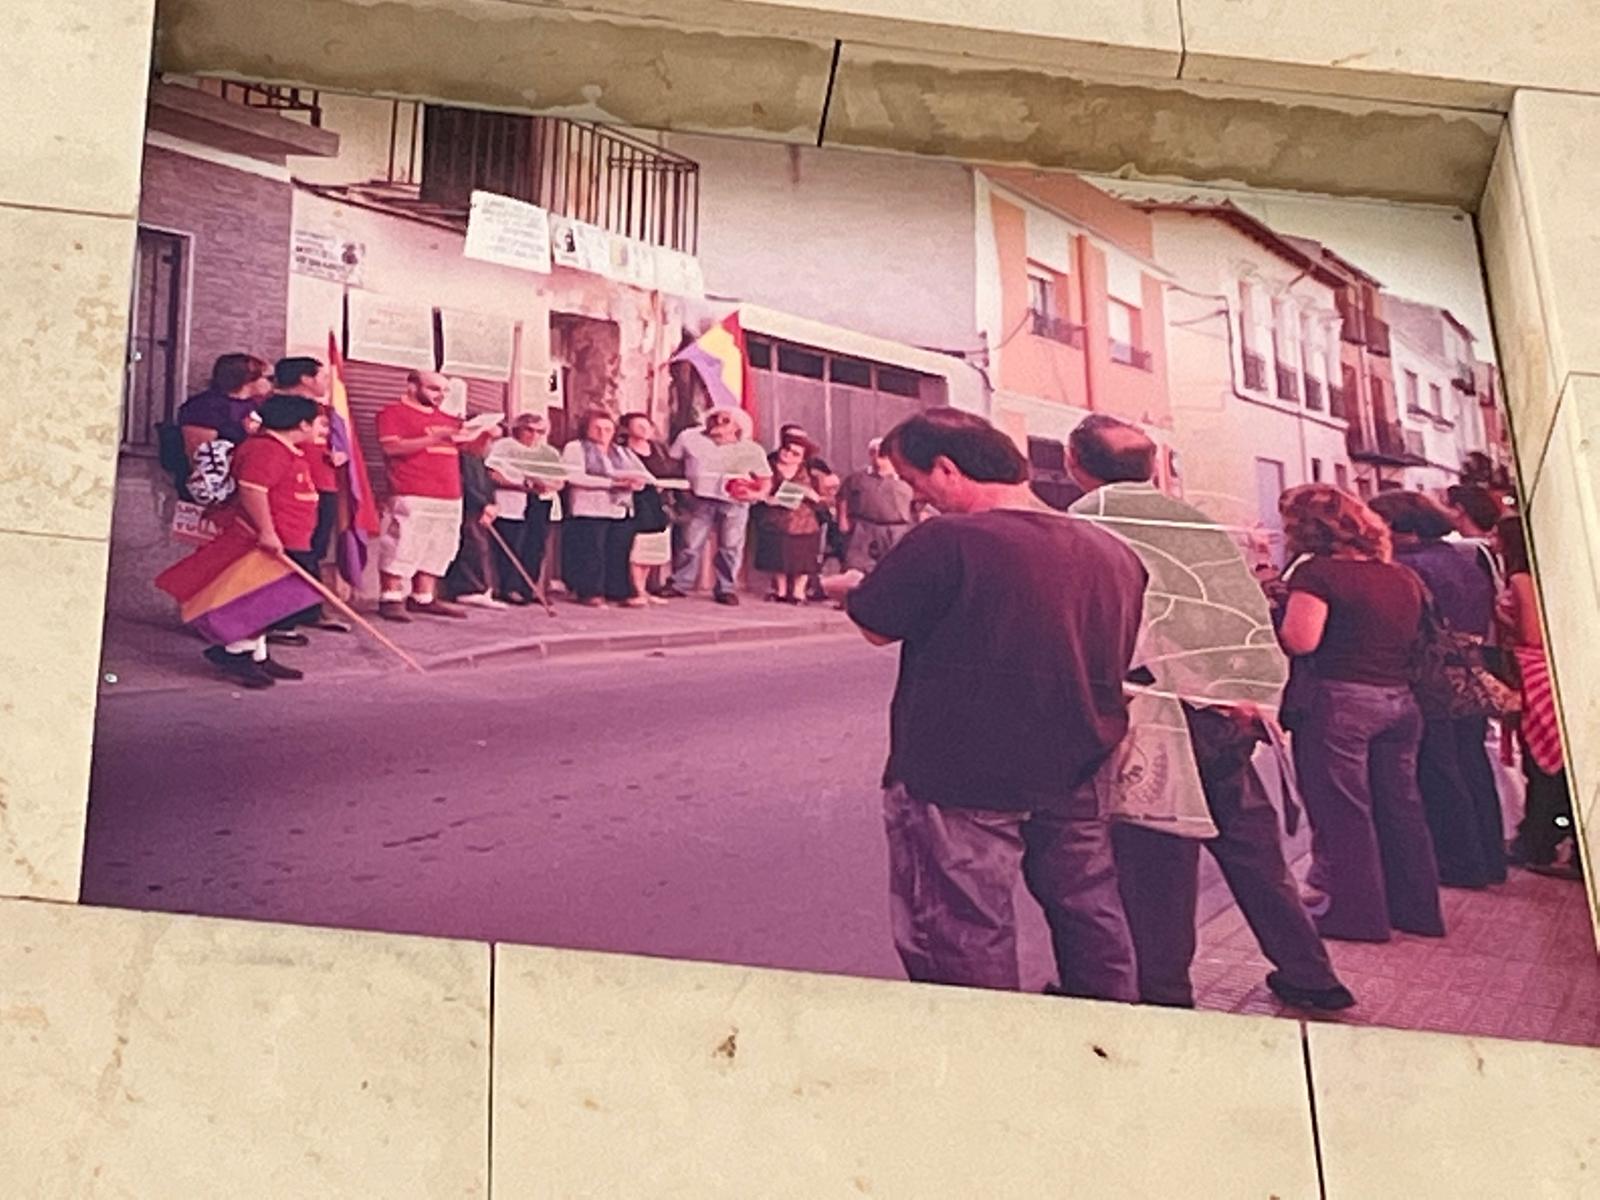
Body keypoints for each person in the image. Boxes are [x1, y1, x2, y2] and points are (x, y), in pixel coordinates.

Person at [824, 407, 1145, 1001]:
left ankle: (982, 1060)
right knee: (1090, 913)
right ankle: (1111, 1032)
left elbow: (877, 624)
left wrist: (850, 590)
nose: (918, 499)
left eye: (917, 483)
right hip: (1078, 764)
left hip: (959, 773)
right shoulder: (1112, 551)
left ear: (946, 469)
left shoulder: (949, 539)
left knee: (962, 932)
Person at [1068, 415, 1353, 1012]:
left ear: (1075, 464)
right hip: (1230, 713)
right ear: (1153, 468)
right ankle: (1311, 974)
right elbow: (1247, 613)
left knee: (1158, 862)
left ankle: (1165, 994)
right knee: (1255, 852)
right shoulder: (1197, 523)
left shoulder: (1085, 524)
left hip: (1156, 711)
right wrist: (1256, 699)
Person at [1277, 485, 1444, 942]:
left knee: (1344, 812)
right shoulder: (1400, 576)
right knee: (1401, 808)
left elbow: (1301, 640)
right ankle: (1417, 910)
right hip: (1400, 702)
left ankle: (1357, 916)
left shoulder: (1318, 573)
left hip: (1341, 703)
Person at [1369, 490, 1506, 889]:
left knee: (1438, 770)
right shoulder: (1462, 559)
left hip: (1432, 678)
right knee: (1472, 765)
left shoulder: (1408, 567)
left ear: (1400, 527)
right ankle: (1489, 858)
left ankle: (1460, 863)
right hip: (1470, 671)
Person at [199, 394, 324, 688]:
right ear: (302, 423)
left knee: (272, 600)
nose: (322, 428)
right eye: (319, 422)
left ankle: (257, 653)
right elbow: (253, 490)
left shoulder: (284, 449)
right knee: (259, 598)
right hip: (273, 537)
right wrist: (267, 532)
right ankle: (235, 653)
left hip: (293, 535)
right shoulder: (266, 450)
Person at [1498, 514, 1583, 880]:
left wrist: (1504, 621)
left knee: (1543, 762)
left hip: (1538, 674)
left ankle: (1540, 841)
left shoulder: (1521, 579)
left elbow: (1531, 636)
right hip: (1568, 668)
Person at [375, 370, 469, 622]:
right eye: (434, 389)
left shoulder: (448, 418)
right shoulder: (392, 413)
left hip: (449, 492)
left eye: (444, 391)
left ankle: (423, 596)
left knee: (440, 544)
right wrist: (433, 437)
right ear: (412, 386)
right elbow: (391, 447)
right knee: (403, 540)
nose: (441, 396)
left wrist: (485, 436)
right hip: (412, 488)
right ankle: (390, 596)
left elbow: (469, 450)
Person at [659, 408, 772, 606]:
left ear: (737, 426)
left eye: (725, 420)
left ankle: (726, 588)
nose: (718, 421)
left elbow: (765, 480)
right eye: (714, 417)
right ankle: (679, 583)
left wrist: (756, 494)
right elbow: (672, 464)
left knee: (730, 546)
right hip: (699, 498)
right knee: (690, 543)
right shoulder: (689, 437)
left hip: (735, 503)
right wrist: (682, 490)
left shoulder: (752, 449)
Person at [559, 409, 649, 607]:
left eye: (607, 428)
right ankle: (590, 592)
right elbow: (573, 476)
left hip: (619, 508)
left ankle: (617, 591)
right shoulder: (576, 448)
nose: (603, 433)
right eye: (597, 428)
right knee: (592, 551)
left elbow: (645, 475)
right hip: (590, 507)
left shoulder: (622, 452)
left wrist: (634, 481)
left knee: (618, 551)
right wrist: (612, 483)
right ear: (586, 430)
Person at [485, 413, 561, 606]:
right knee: (512, 544)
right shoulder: (503, 447)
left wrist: (548, 485)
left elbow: (560, 479)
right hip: (513, 500)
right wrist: (522, 484)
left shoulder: (549, 452)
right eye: (529, 430)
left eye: (539, 431)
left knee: (535, 546)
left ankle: (530, 587)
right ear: (518, 429)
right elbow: (493, 474)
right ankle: (508, 588)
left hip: (541, 501)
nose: (534, 435)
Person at [754, 437, 829, 603]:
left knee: (803, 559)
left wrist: (813, 495)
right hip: (774, 520)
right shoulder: (767, 467)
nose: (788, 454)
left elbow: (825, 495)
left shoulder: (810, 471)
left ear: (802, 458)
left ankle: (798, 593)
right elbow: (755, 489)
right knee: (777, 556)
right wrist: (767, 498)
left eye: (795, 454)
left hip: (804, 522)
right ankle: (779, 591)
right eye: (786, 449)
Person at [619, 412, 677, 604]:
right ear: (627, 429)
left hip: (656, 500)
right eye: (638, 426)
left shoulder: (658, 449)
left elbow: (670, 471)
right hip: (634, 499)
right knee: (637, 545)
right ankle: (634, 590)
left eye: (647, 425)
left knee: (652, 544)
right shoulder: (622, 451)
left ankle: (644, 589)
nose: (644, 430)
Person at [444, 426, 504, 608]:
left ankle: (482, 587)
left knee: (482, 547)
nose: (489, 445)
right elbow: (467, 485)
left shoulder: (479, 460)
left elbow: (487, 485)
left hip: (481, 509)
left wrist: (492, 504)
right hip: (469, 509)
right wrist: (483, 504)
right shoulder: (463, 458)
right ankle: (468, 588)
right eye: (488, 439)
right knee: (472, 546)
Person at [838, 438, 916, 575]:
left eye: (883, 453)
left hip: (897, 529)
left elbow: (920, 503)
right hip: (863, 527)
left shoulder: (907, 478)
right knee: (857, 567)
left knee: (897, 566)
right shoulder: (856, 478)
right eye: (874, 452)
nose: (878, 457)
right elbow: (842, 497)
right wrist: (842, 519)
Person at [177, 353, 272, 461]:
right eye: (269, 378)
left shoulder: (254, 404)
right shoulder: (205, 407)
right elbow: (200, 456)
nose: (273, 383)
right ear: (248, 379)